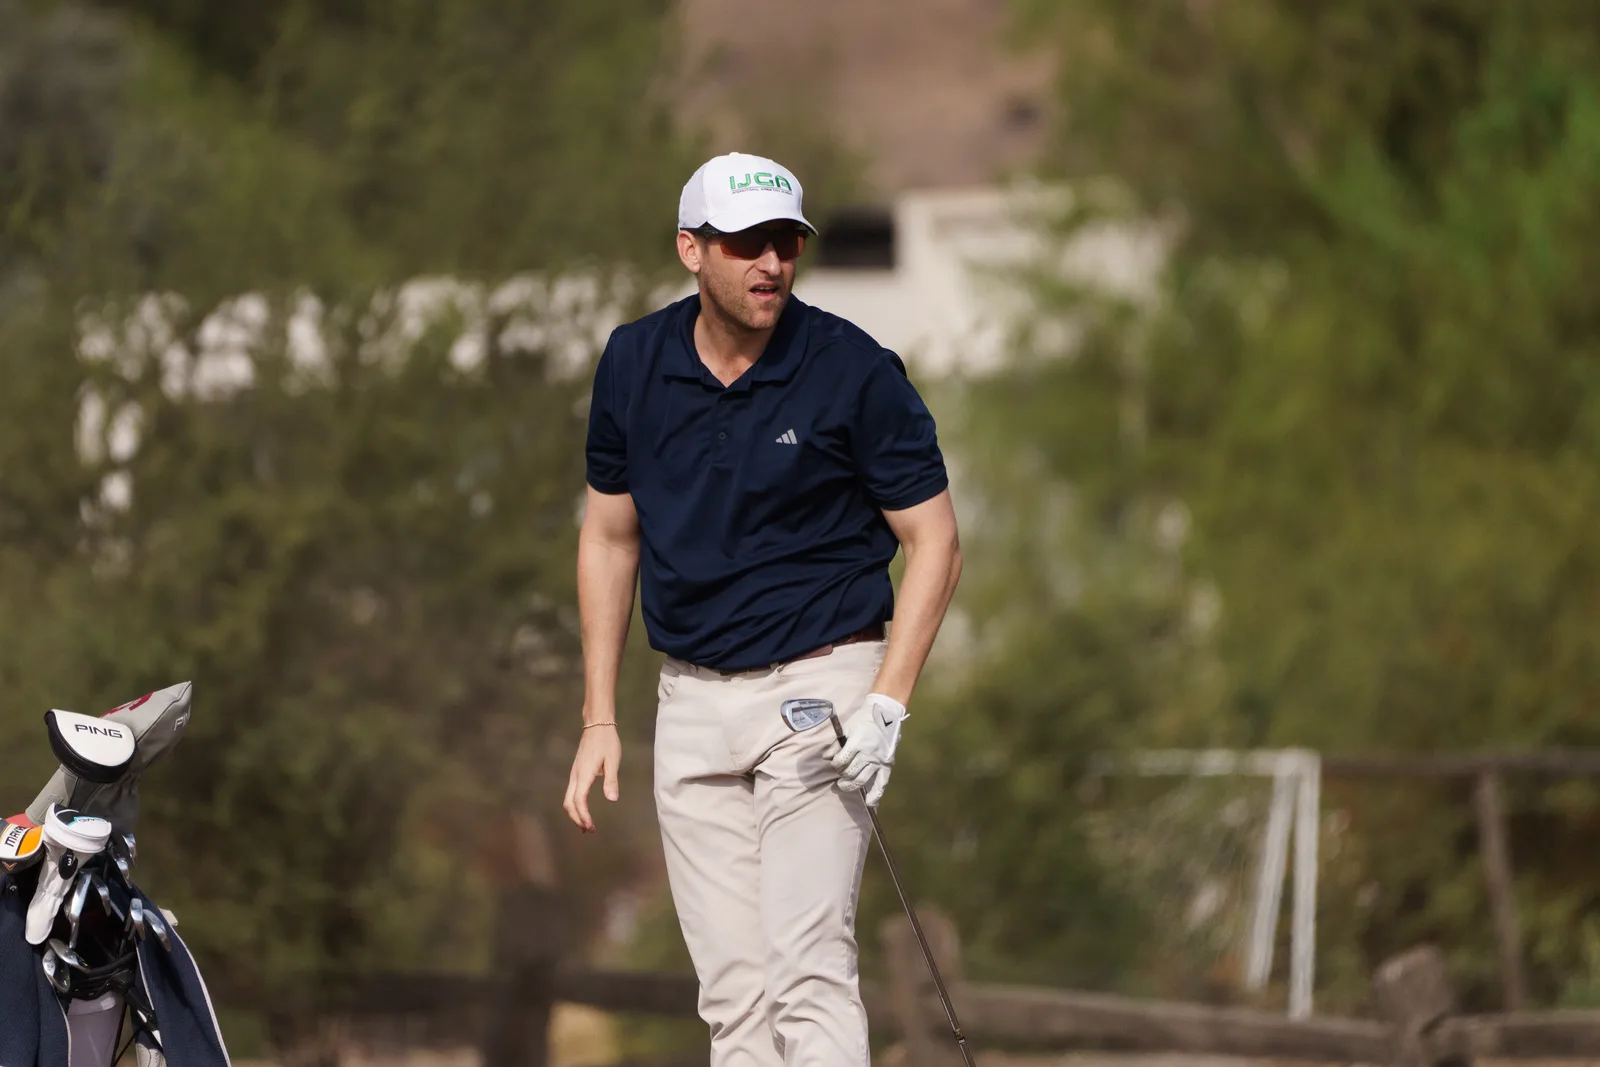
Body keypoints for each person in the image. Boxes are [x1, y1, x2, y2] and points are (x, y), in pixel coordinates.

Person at [563, 151, 962, 1067]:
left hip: (819, 691)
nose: (772, 263)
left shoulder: (853, 371)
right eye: (747, 244)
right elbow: (610, 538)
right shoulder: (632, 363)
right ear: (691, 249)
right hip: (691, 700)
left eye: (785, 242)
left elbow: (935, 540)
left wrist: (888, 703)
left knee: (807, 973)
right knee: (734, 1001)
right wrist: (598, 716)